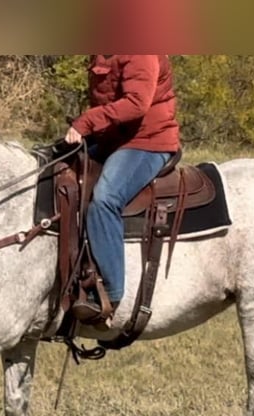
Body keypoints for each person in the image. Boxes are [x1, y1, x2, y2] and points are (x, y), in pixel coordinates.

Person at [64, 54, 181, 324]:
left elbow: (137, 104)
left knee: (105, 199)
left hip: (147, 142)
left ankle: (109, 295)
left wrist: (86, 123)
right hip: (113, 139)